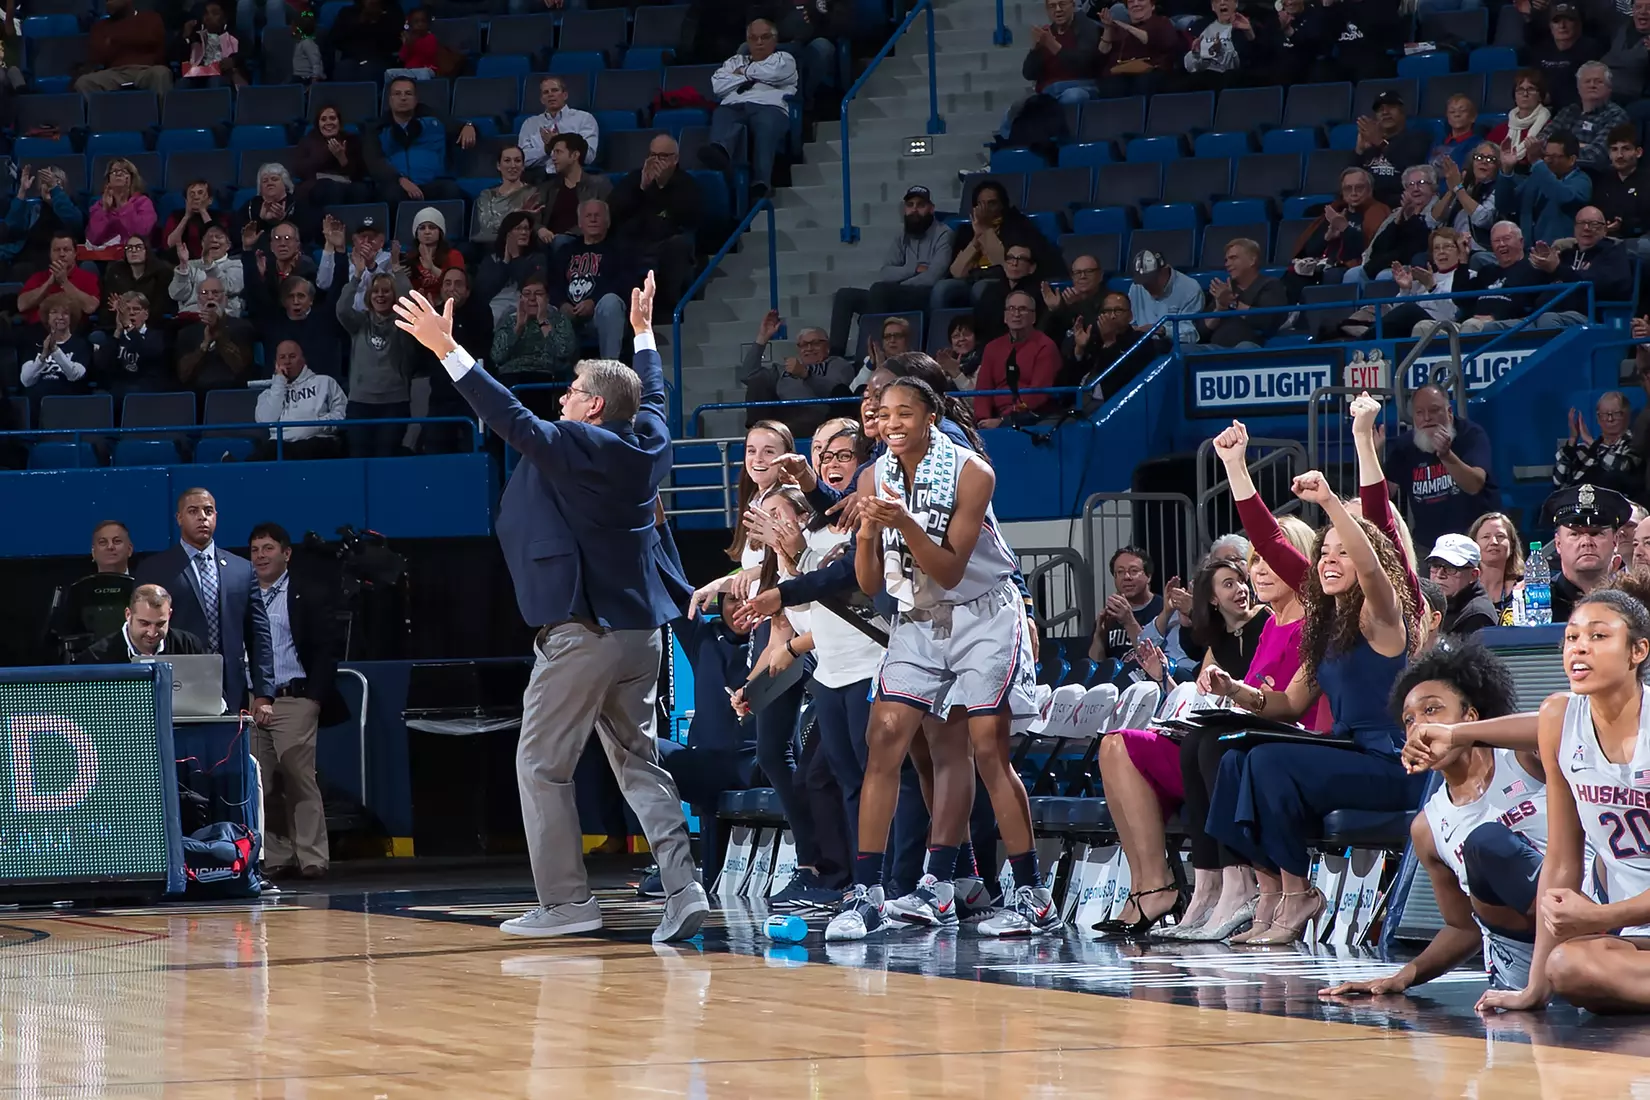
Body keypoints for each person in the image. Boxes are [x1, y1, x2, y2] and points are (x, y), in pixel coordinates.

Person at [393, 271, 709, 943]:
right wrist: (645, 335)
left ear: (594, 408)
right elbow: (653, 396)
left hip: (583, 632)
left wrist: (447, 349)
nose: (563, 397)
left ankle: (567, 903)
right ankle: (684, 888)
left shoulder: (578, 443)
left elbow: (509, 417)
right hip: (639, 634)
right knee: (640, 763)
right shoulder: (649, 446)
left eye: (573, 389)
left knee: (540, 764)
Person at [823, 375, 1046, 940]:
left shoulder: (974, 472)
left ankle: (1030, 893)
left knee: (988, 750)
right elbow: (870, 580)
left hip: (984, 614)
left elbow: (948, 568)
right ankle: (869, 893)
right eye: (884, 413)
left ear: (931, 417)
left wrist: (902, 523)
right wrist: (871, 534)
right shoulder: (873, 475)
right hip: (917, 616)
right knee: (885, 740)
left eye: (904, 413)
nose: (892, 423)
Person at [1204, 464, 1423, 943]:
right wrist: (1232, 690)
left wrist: (1328, 504)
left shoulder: (1383, 615)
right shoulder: (1328, 628)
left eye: (1341, 553)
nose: (1329, 560)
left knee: (1268, 761)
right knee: (1234, 760)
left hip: (1391, 762)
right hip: (1346, 751)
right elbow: (1285, 703)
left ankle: (1299, 892)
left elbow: (1370, 566)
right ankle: (1272, 893)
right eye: (1323, 552)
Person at [1321, 641, 1541, 1000]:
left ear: (1470, 717)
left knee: (1490, 843)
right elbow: (1461, 927)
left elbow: (1560, 724)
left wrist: (1458, 737)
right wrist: (1405, 975)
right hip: (1517, 962)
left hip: (1576, 923)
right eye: (1410, 720)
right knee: (1485, 846)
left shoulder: (1522, 759)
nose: (1420, 726)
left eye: (1433, 710)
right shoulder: (1427, 826)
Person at [1477, 576, 1650, 1015]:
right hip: (1631, 937)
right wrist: (1534, 988)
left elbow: (1597, 916)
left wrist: (1601, 917)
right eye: (1572, 637)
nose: (1579, 647)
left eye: (1598, 636)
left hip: (1617, 920)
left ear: (1638, 652)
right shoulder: (1558, 716)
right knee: (1567, 966)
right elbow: (1561, 858)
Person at [1095, 549, 1274, 939]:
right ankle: (1145, 884)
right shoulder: (1216, 640)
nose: (1241, 589)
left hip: (1234, 745)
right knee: (1111, 745)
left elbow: (1255, 695)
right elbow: (1202, 699)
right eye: (1229, 584)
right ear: (1212, 598)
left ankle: (1159, 887)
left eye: (1242, 581)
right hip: (1204, 737)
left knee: (1124, 745)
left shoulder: (1267, 624)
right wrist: (1165, 679)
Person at [248, 522, 342, 880]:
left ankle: (312, 857)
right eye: (255, 550)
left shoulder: (308, 592)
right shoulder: (244, 593)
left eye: (268, 548)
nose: (261, 556)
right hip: (253, 701)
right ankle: (277, 856)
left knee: (299, 777)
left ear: (286, 554)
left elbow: (326, 649)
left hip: (295, 698)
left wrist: (315, 699)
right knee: (263, 782)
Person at [133, 488, 274, 715]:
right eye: (193, 511)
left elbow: (258, 634)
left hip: (232, 688)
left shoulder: (242, 569)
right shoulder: (155, 569)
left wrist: (264, 693)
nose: (202, 517)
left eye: (208, 511)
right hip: (176, 686)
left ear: (216, 516)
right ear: (179, 518)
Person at [828, 187, 953, 356]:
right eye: (910, 205)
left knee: (880, 290)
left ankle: (874, 354)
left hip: (924, 295)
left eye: (920, 205)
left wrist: (899, 282)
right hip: (895, 294)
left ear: (931, 208)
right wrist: (914, 269)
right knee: (845, 295)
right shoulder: (901, 235)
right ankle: (835, 356)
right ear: (904, 208)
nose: (914, 209)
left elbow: (933, 276)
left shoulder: (944, 234)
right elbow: (886, 272)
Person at [1384, 384, 1498, 551]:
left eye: (1434, 410)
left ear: (1449, 413)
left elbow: (1475, 485)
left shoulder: (1471, 435)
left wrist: (1446, 455)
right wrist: (1370, 453)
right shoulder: (1405, 446)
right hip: (1428, 545)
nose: (1427, 418)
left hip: (1474, 540)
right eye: (1419, 413)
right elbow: (1385, 493)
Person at [701, 19, 798, 200]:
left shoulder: (784, 59)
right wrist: (756, 74)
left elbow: (775, 73)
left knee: (765, 125)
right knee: (722, 112)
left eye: (765, 37)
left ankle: (761, 184)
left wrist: (742, 73)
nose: (759, 42)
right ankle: (720, 152)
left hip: (770, 107)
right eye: (753, 38)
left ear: (775, 40)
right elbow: (718, 85)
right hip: (735, 105)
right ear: (748, 41)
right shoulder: (734, 61)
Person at [608, 134, 700, 312]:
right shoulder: (635, 179)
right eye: (652, 155)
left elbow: (691, 217)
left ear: (675, 159)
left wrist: (663, 185)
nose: (656, 161)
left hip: (666, 241)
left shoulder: (686, 183)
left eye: (662, 156)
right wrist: (642, 187)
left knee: (678, 246)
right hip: (634, 241)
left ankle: (669, 310)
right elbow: (613, 210)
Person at [362, 76, 474, 206]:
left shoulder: (434, 120)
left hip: (433, 183)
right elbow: (374, 162)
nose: (403, 98)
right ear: (390, 100)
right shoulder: (377, 129)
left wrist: (469, 126)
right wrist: (400, 179)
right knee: (388, 195)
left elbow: (459, 126)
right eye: (397, 94)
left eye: (408, 94)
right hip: (398, 185)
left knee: (452, 191)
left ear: (416, 99)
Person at [740, 311, 854, 439]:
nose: (809, 348)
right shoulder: (783, 369)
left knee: (788, 428)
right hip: (782, 412)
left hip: (815, 414)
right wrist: (762, 338)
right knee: (758, 382)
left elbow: (837, 391)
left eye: (815, 343)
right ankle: (755, 433)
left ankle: (772, 436)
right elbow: (748, 375)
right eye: (804, 345)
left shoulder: (837, 364)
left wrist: (805, 374)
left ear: (827, 347)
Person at [338, 266, 414, 458]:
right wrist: (356, 278)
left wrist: (398, 273)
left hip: (394, 403)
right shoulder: (359, 323)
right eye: (376, 291)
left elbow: (411, 305)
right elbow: (342, 309)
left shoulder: (403, 324)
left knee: (386, 456)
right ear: (369, 296)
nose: (380, 295)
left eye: (386, 291)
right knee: (358, 456)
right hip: (360, 403)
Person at [549, 200, 632, 361]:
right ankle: (551, 377)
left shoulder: (620, 249)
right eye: (588, 216)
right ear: (580, 223)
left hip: (600, 317)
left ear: (607, 222)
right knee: (543, 308)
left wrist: (594, 302)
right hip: (568, 315)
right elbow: (553, 282)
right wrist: (561, 303)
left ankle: (610, 369)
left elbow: (625, 283)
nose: (593, 219)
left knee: (611, 302)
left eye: (597, 216)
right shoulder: (566, 250)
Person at [1545, 483, 1635, 622]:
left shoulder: (1634, 600)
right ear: (1558, 544)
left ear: (1615, 541)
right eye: (1575, 534)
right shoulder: (1537, 603)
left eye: (1596, 533)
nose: (1586, 541)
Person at [973, 288, 1061, 427]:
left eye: (1023, 309)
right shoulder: (992, 348)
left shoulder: (1045, 346)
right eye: (1011, 309)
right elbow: (983, 390)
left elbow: (1037, 394)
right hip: (996, 417)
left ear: (1033, 317)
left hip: (1032, 415)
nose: (1016, 314)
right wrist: (982, 420)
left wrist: (1004, 421)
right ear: (1005, 316)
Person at [255, 340, 347, 460]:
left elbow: (342, 414)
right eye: (282, 357)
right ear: (276, 363)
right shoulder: (267, 394)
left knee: (308, 448)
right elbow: (266, 421)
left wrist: (316, 425)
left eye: (292, 356)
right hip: (280, 444)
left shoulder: (324, 382)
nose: (287, 361)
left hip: (317, 440)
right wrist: (279, 383)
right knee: (265, 453)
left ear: (303, 360)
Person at [78, 584, 209, 663]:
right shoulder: (96, 657)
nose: (152, 632)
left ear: (169, 615)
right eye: (144, 623)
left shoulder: (188, 646)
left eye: (160, 624)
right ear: (128, 615)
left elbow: (214, 694)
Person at [491, 274, 577, 385]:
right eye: (527, 294)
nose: (532, 299)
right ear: (520, 298)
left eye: (538, 294)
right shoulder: (509, 320)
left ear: (547, 298)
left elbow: (564, 353)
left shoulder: (559, 320)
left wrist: (542, 321)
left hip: (547, 376)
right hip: (513, 376)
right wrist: (518, 327)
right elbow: (497, 356)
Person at [1555, 390, 1642, 500]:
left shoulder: (1635, 444)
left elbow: (1622, 468)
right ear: (1598, 419)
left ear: (1627, 416)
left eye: (1616, 413)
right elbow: (1558, 481)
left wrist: (1592, 443)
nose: (1610, 419)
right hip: (1575, 507)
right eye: (1605, 414)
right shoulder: (1585, 450)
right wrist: (1572, 441)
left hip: (1612, 509)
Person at [1200, 238, 1285, 348]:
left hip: (1250, 346)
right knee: (1185, 349)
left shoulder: (1270, 285)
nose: (1227, 264)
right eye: (1226, 260)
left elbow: (1267, 321)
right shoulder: (1224, 290)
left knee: (1244, 348)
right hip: (1216, 348)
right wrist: (1220, 308)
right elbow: (1201, 332)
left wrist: (1233, 303)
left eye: (1233, 258)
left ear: (1252, 260)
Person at [0, 167, 82, 280]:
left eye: (55, 182)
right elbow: (12, 227)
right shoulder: (33, 208)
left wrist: (55, 190)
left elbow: (75, 223)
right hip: (29, 258)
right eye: (45, 182)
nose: (49, 186)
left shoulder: (71, 206)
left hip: (59, 256)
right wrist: (22, 192)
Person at [1545, 61, 1629, 170]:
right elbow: (1542, 140)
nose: (1592, 85)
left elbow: (1595, 155)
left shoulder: (1616, 115)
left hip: (1588, 174)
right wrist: (1580, 146)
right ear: (1578, 88)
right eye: (1587, 81)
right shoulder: (1568, 111)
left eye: (1598, 82)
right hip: (1553, 170)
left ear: (1609, 88)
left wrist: (1555, 152)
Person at [75, 0, 171, 95]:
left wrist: (113, 40)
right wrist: (134, 39)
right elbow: (98, 56)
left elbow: (154, 42)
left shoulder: (151, 18)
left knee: (161, 73)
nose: (109, 2)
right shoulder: (100, 27)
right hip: (114, 73)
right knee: (84, 82)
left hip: (145, 71)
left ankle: (163, 110)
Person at [1355, 91, 1433, 207]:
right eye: (1380, 109)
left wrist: (1380, 142)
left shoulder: (1417, 138)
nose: (1385, 112)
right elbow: (1349, 179)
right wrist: (1359, 150)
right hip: (1367, 204)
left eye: (1391, 107)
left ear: (1402, 112)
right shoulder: (1370, 143)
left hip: (1399, 205)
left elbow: (1410, 168)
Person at [175, 277, 254, 392]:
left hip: (233, 392)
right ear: (198, 300)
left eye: (215, 293)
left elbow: (242, 368)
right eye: (204, 293)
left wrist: (219, 335)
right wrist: (204, 346)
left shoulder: (242, 327)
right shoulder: (186, 332)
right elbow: (183, 375)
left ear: (225, 299)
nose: (210, 297)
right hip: (198, 394)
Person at [1514, 131, 1592, 246]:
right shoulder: (1539, 175)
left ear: (1572, 160)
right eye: (1546, 155)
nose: (1548, 160)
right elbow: (1508, 204)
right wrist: (1506, 171)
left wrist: (1536, 162)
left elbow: (1563, 196)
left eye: (1554, 157)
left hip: (1559, 254)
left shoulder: (1582, 181)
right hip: (1527, 251)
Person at [294, 104, 375, 214]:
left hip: (346, 182)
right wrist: (326, 153)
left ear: (339, 122)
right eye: (323, 119)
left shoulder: (351, 140)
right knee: (331, 189)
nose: (328, 123)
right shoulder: (307, 141)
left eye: (332, 118)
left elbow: (359, 173)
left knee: (361, 191)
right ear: (318, 124)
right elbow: (300, 170)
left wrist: (341, 157)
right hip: (317, 184)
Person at [533, 133, 611, 246]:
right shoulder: (548, 188)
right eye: (553, 153)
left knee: (561, 241)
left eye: (558, 152)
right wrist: (540, 229)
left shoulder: (599, 184)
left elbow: (607, 218)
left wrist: (569, 235)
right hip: (551, 243)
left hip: (583, 242)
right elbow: (533, 218)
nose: (553, 158)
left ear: (574, 155)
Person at [1527, 3, 1604, 112]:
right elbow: (1533, 82)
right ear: (1550, 26)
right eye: (1556, 21)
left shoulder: (1591, 50)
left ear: (1579, 24)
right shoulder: (1540, 50)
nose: (1562, 26)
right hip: (1542, 109)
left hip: (1575, 111)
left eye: (1568, 20)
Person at [94, 291, 168, 402]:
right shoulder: (115, 337)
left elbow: (148, 353)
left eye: (136, 309)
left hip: (146, 390)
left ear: (146, 314)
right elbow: (103, 365)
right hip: (119, 389)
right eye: (127, 310)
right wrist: (118, 331)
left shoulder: (157, 336)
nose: (131, 313)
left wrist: (129, 327)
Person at [517, 76, 599, 176]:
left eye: (555, 90)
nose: (550, 95)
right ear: (542, 99)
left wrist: (558, 143)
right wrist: (545, 149)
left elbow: (588, 157)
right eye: (546, 92)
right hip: (538, 178)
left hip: (573, 175)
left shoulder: (584, 119)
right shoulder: (530, 124)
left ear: (565, 95)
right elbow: (521, 160)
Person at [1096, 0, 1181, 97]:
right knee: (1110, 86)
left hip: (1152, 74)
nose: (1136, 4)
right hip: (1121, 74)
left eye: (1141, 0)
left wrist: (1127, 27)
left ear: (1152, 6)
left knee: (1144, 82)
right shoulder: (1118, 29)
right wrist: (1107, 28)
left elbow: (1152, 39)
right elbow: (1103, 51)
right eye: (1131, 2)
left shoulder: (1162, 22)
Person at [18, 232, 101, 327]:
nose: (61, 254)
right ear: (50, 253)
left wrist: (64, 282)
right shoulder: (37, 278)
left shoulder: (88, 278)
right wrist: (49, 283)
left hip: (73, 332)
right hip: (38, 329)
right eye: (57, 250)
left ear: (75, 253)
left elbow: (90, 307)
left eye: (66, 250)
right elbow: (22, 306)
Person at [20, 300, 91, 406]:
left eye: (65, 313)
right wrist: (42, 357)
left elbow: (74, 375)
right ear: (47, 318)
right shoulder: (35, 344)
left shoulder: (81, 344)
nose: (60, 317)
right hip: (39, 404)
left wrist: (55, 351)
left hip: (70, 403)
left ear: (72, 318)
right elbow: (26, 380)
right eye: (54, 312)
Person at [1426, 534, 1500, 636]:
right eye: (1435, 566)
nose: (1439, 575)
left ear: (1474, 575)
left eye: (1450, 569)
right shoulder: (1433, 604)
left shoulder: (1477, 616)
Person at [1127, 249, 1203, 344]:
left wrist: (1163, 330)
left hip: (1173, 347)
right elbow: (1131, 322)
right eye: (1143, 282)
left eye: (1151, 280)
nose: (1146, 286)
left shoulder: (1190, 288)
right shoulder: (1136, 288)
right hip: (1141, 346)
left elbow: (1191, 335)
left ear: (1164, 271)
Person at [233, 164, 309, 255]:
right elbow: (236, 236)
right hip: (255, 253)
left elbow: (306, 236)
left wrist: (282, 221)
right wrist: (260, 220)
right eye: (265, 181)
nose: (269, 183)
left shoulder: (297, 204)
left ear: (285, 184)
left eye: (274, 179)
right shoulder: (251, 205)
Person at [473, 146, 540, 249]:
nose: (513, 165)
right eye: (507, 160)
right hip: (488, 245)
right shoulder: (487, 195)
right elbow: (487, 227)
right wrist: (517, 213)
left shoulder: (532, 193)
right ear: (499, 166)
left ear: (523, 166)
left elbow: (528, 228)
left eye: (517, 161)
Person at [170, 225, 244, 317]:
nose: (214, 240)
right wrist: (183, 265)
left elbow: (230, 287)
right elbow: (177, 295)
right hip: (192, 315)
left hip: (223, 316)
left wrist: (209, 265)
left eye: (219, 237)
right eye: (209, 237)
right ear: (202, 243)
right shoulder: (190, 265)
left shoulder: (236, 265)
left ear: (228, 245)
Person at [86, 159, 156, 250]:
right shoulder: (99, 205)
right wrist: (104, 210)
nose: (118, 174)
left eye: (124, 171)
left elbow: (141, 234)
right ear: (108, 180)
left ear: (132, 178)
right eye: (114, 171)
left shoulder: (143, 203)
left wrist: (123, 204)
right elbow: (93, 239)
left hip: (133, 254)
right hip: (104, 257)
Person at [1472, 511, 1526, 624]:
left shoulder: (1526, 589)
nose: (1494, 542)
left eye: (1500, 536)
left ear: (1512, 544)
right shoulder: (1464, 587)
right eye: (1486, 537)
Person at [1489, 70, 1552, 164]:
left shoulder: (1550, 128)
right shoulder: (1500, 130)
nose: (1525, 94)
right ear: (1514, 96)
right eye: (1520, 90)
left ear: (1540, 96)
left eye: (1531, 89)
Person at [402, 206, 463, 301]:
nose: (427, 232)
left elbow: (457, 286)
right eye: (422, 228)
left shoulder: (454, 255)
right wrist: (400, 276)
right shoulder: (410, 258)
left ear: (440, 232)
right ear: (416, 234)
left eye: (432, 227)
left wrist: (432, 268)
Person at [179, 0, 243, 87]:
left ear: (224, 19)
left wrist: (233, 61)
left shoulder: (232, 36)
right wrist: (186, 37)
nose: (208, 17)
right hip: (197, 76)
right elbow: (178, 57)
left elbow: (245, 54)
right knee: (182, 83)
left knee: (215, 81)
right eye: (206, 13)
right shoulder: (195, 35)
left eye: (214, 13)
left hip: (222, 75)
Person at [162, 180, 229, 263]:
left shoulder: (220, 217)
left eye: (200, 193)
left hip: (213, 262)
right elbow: (170, 244)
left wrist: (203, 211)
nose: (196, 197)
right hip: (182, 262)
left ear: (210, 200)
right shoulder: (176, 216)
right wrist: (186, 217)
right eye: (192, 194)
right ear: (186, 200)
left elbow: (218, 242)